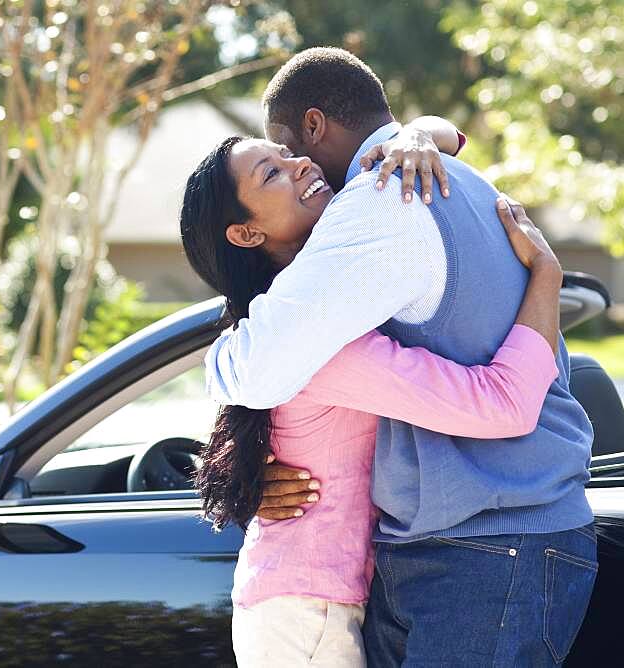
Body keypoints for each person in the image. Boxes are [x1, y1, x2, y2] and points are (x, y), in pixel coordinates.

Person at [203, 47, 596, 666]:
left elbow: (251, 372)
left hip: (487, 542)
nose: (300, 163)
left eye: (286, 148)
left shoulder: (384, 197)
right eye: (274, 170)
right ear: (245, 232)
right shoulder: (451, 180)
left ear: (313, 125)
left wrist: (220, 363)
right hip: (439, 552)